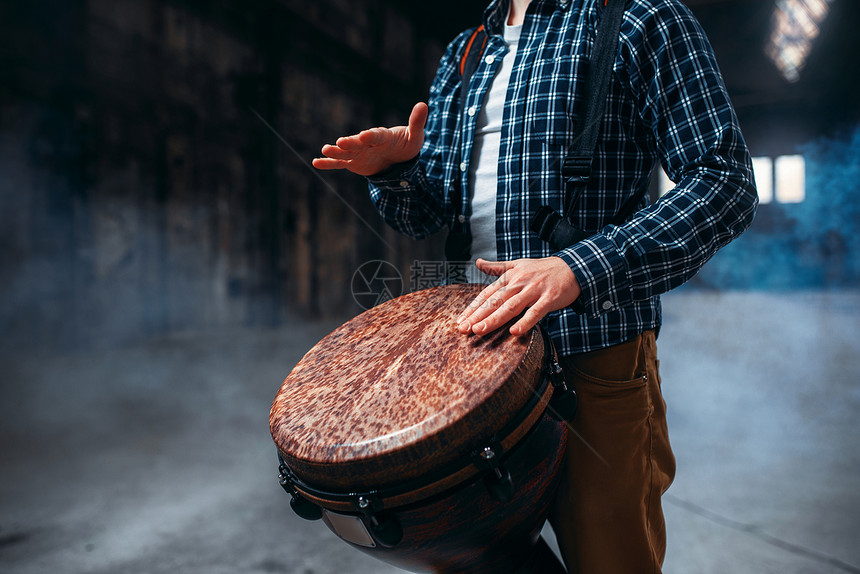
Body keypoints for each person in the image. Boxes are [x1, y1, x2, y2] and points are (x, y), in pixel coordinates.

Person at [313, 0, 758, 571]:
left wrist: (580, 266)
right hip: (472, 366)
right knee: (481, 559)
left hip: (594, 355)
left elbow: (724, 181)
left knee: (610, 561)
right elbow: (427, 214)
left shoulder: (641, 19)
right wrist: (396, 171)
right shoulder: (467, 51)